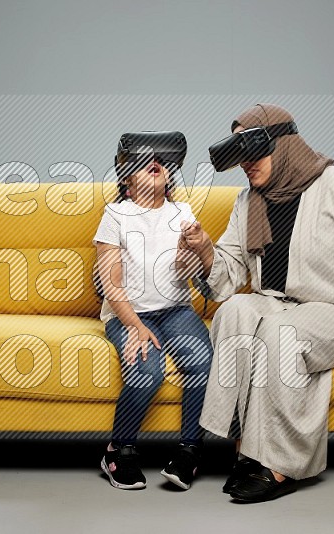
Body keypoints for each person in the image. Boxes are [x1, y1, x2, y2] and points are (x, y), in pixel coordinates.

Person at [179, 104, 334, 502]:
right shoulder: (248, 202)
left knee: (279, 333)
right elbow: (227, 274)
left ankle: (281, 463)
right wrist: (205, 252)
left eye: (254, 151)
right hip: (279, 303)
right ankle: (245, 444)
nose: (246, 164)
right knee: (234, 311)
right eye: (240, 156)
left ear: (284, 145)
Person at [93, 131, 213, 490]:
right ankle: (119, 449)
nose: (153, 164)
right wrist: (133, 326)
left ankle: (190, 450)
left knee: (202, 363)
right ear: (127, 179)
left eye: (159, 161)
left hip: (176, 310)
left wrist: (188, 252)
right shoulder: (116, 214)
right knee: (147, 370)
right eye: (143, 163)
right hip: (126, 313)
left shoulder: (182, 212)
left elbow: (185, 274)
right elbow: (110, 282)